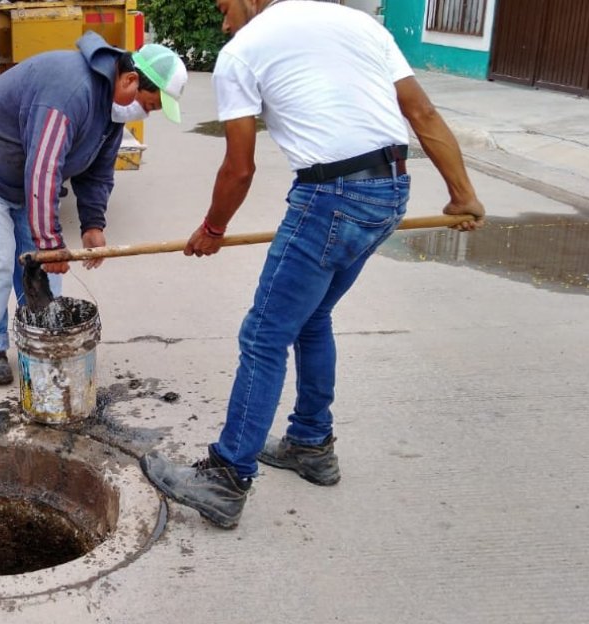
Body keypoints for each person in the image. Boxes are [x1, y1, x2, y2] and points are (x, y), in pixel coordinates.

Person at [140, 0, 486, 529]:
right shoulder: (357, 23)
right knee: (312, 317)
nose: (222, 19)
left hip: (331, 197)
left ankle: (226, 477)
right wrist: (462, 194)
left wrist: (212, 229)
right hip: (390, 191)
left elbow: (239, 165)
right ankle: (310, 443)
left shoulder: (243, 52)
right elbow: (423, 114)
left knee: (263, 335)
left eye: (224, 6)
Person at [0, 32, 188, 385]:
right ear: (131, 79)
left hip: (19, 173)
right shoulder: (71, 91)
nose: (145, 114)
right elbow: (44, 168)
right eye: (149, 105)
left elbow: (97, 171)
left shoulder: (112, 110)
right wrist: (49, 241)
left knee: (44, 269)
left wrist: (93, 224)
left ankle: (41, 339)